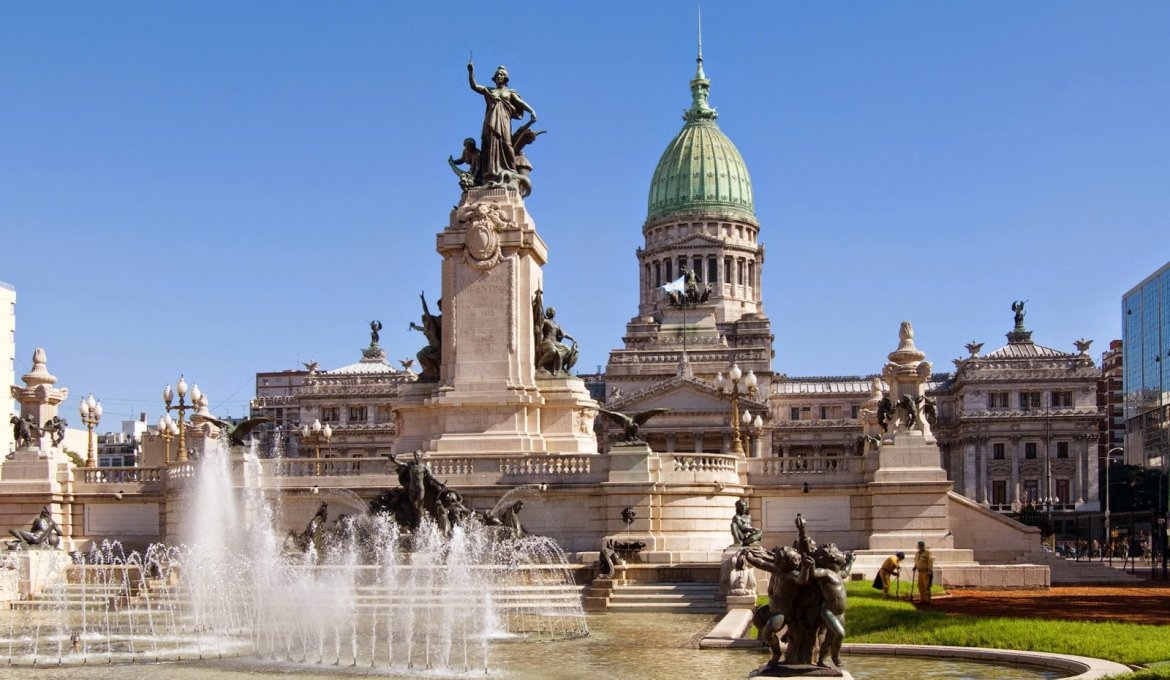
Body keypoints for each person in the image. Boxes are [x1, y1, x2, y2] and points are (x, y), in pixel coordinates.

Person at [467, 61, 537, 185]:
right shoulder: (490, 90)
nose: (499, 76)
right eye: (497, 75)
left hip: (504, 121)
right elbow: (474, 86)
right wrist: (471, 72)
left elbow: (520, 103)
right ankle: (490, 173)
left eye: (501, 75)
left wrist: (531, 110)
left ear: (505, 78)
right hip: (491, 120)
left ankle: (511, 170)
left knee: (506, 144)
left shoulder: (509, 93)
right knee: (490, 145)